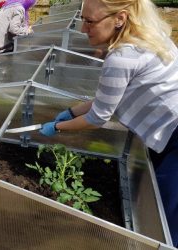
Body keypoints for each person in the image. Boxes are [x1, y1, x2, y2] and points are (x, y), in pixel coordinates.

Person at [39, 0, 178, 246]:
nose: (83, 29)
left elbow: (99, 117)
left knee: (166, 220)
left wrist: (57, 128)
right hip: (170, 130)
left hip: (174, 136)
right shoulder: (149, 38)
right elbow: (110, 99)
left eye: (89, 21)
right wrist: (71, 112)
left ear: (120, 18)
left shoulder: (123, 56)